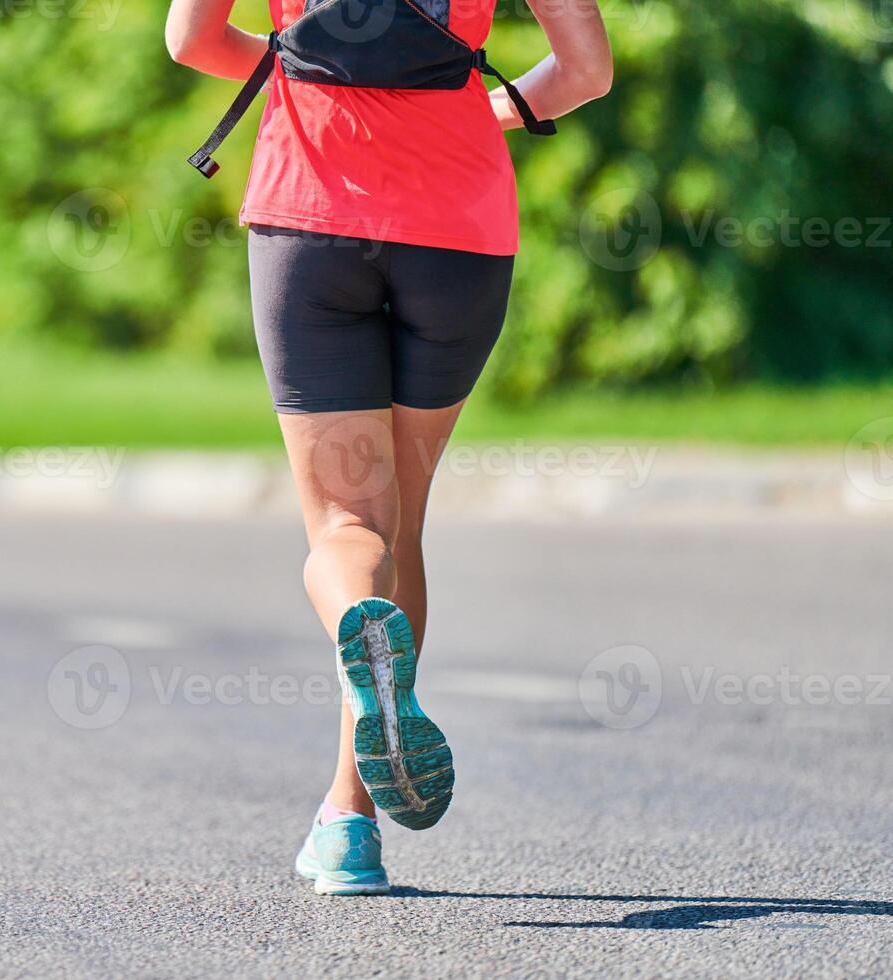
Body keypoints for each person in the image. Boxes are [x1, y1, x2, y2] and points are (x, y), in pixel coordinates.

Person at [165, 0, 613, 894]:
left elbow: (193, 42)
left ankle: (348, 814)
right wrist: (480, 106)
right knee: (401, 520)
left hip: (311, 220)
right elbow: (586, 70)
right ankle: (348, 818)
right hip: (459, 234)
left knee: (345, 524)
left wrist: (297, 63)